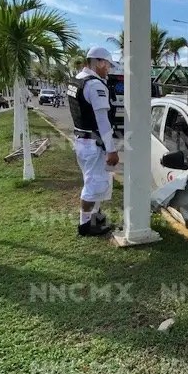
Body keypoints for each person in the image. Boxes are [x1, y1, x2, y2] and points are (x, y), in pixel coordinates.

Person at [66, 46, 120, 236]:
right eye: (107, 65)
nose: (109, 69)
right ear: (98, 62)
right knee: (93, 185)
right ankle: (85, 225)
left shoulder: (77, 80)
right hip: (93, 142)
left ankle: (95, 217)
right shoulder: (95, 85)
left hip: (82, 140)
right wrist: (111, 149)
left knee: (93, 180)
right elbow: (102, 120)